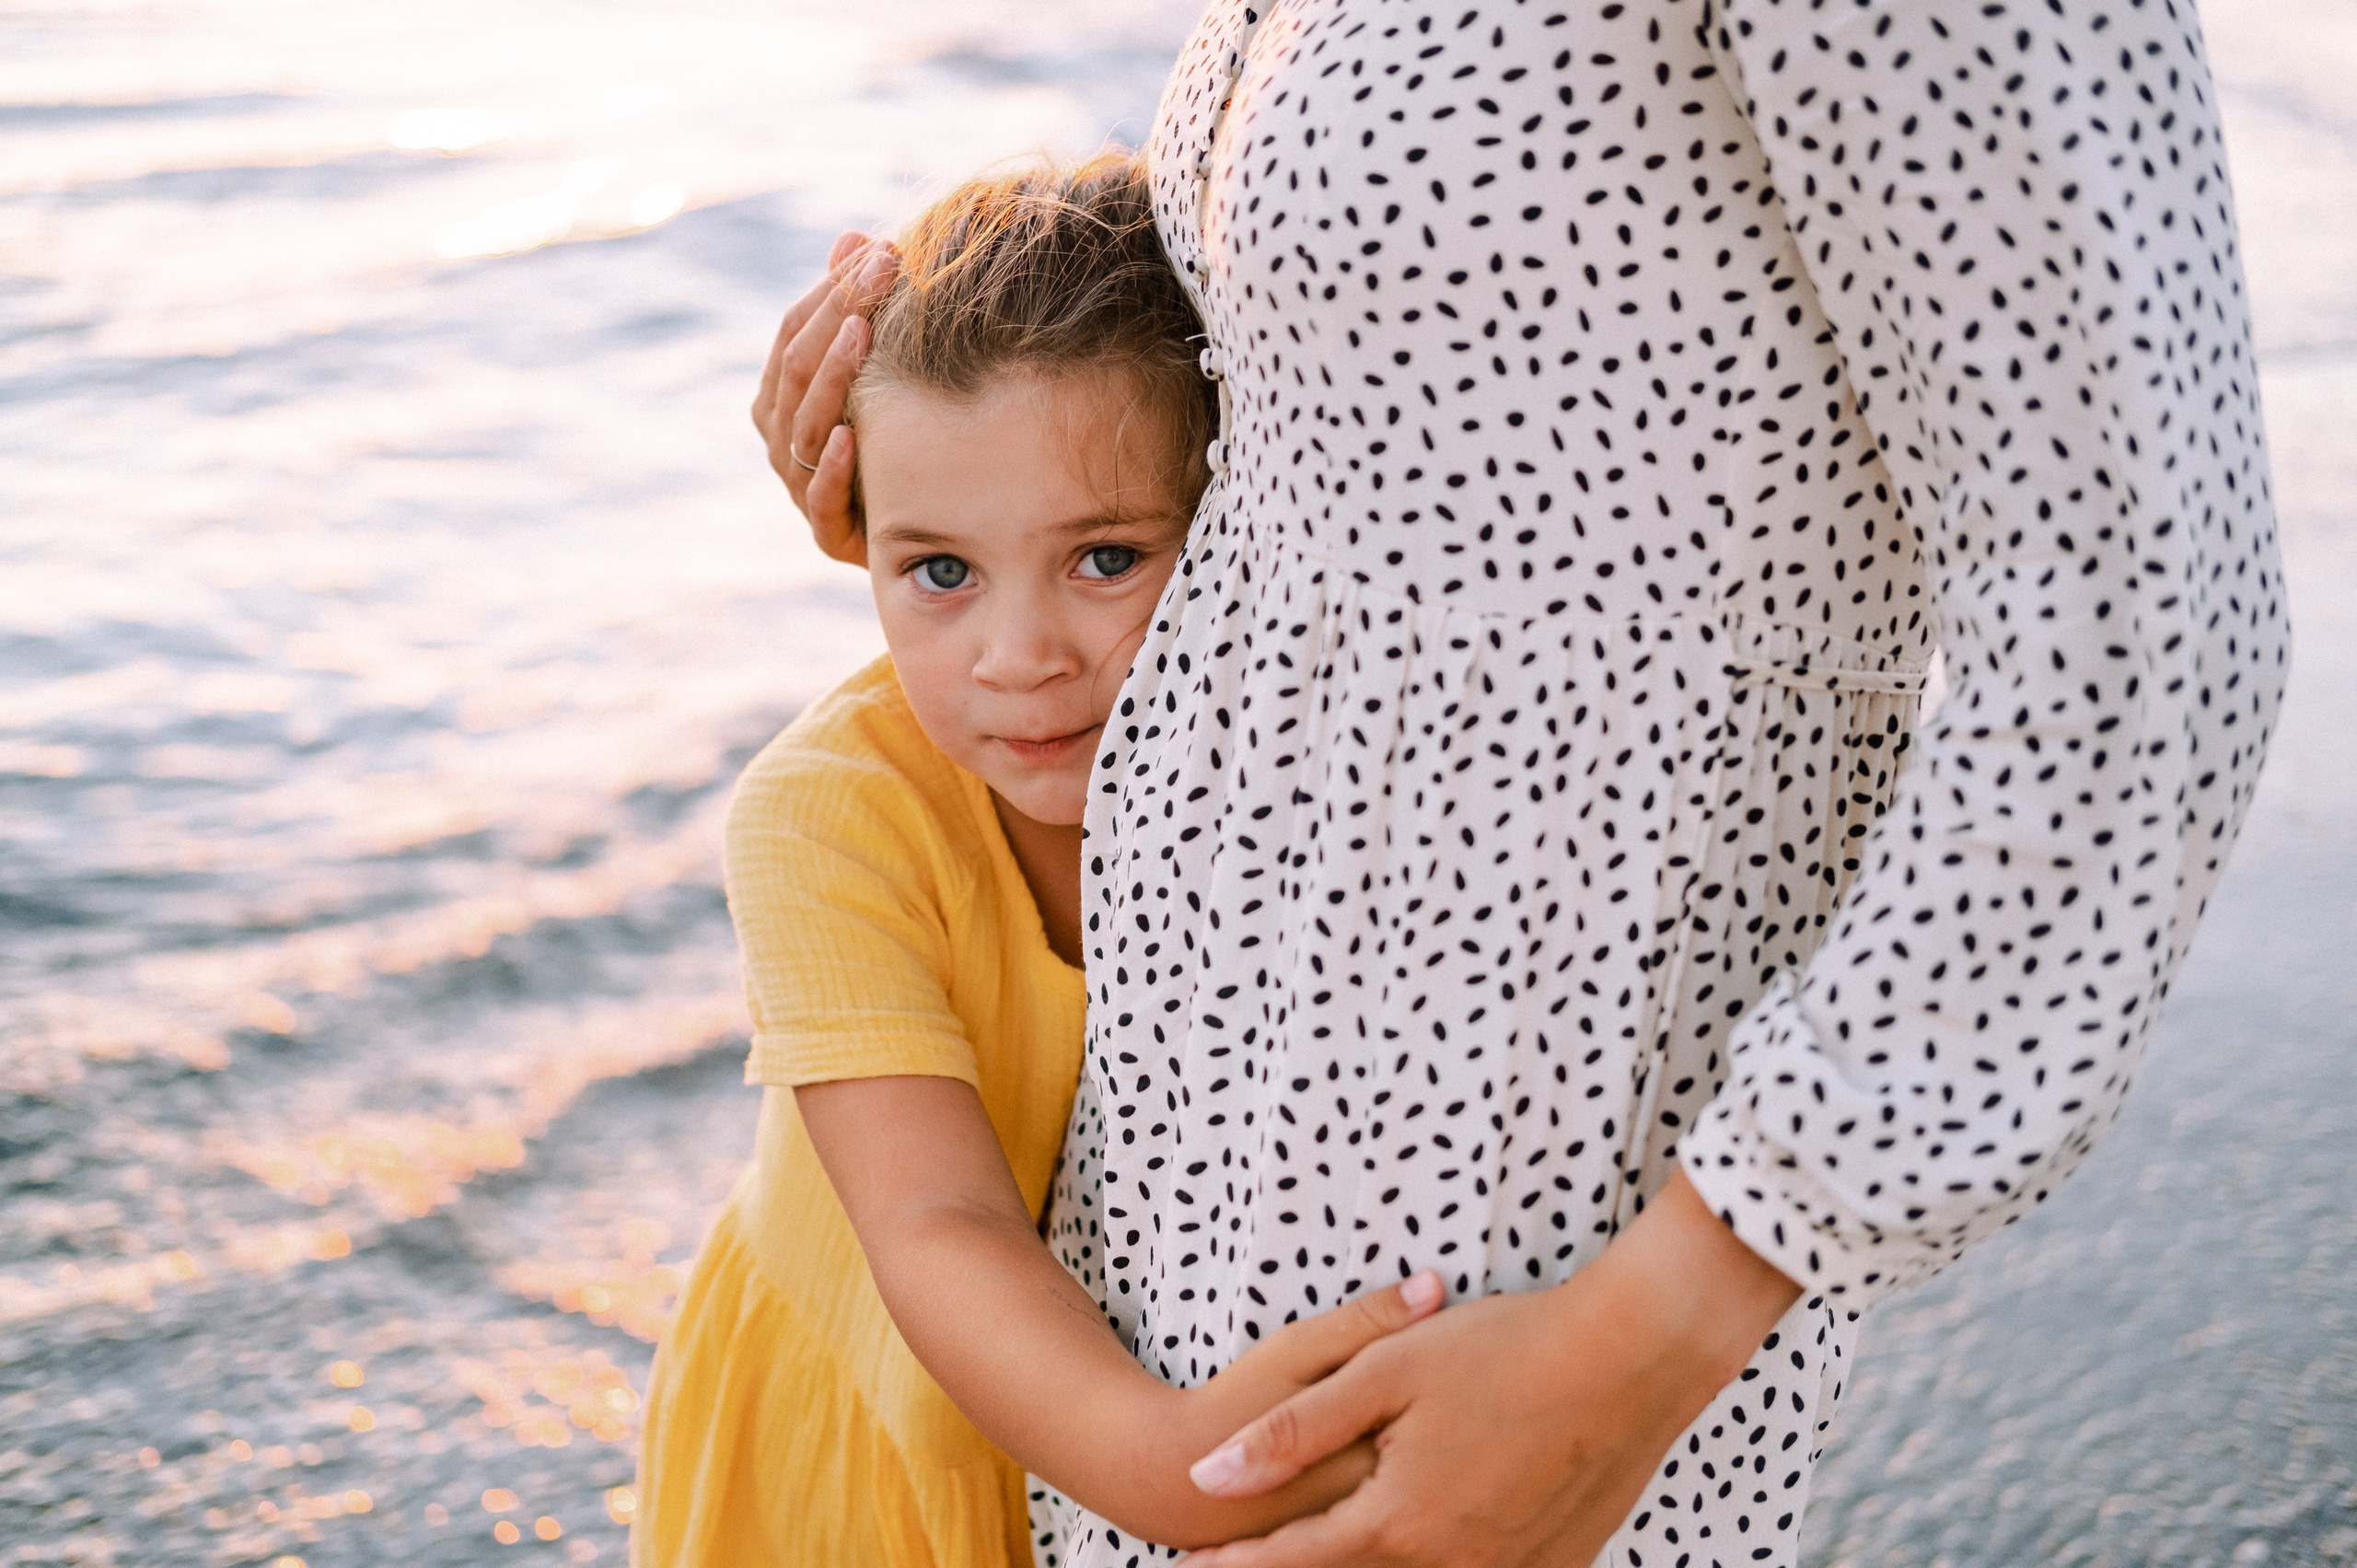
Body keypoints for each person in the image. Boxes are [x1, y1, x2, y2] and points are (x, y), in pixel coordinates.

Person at [761, 1, 2288, 1564]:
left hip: (1508, 1257)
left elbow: (2139, 644)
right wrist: (921, 504)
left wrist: (1655, 1325)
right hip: (1165, 1261)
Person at [633, 152, 1450, 1568]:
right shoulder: (831, 820)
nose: (1020, 661)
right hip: (858, 1451)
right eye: (938, 572)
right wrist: (1164, 1473)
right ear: (854, 541)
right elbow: (938, 1222)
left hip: (1096, 1411)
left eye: (1105, 559)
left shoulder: (1285, 761)